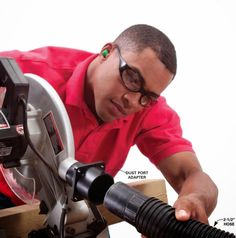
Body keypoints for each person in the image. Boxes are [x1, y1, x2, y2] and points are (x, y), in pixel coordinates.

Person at [0, 24, 217, 227]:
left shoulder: (147, 109)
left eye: (148, 96)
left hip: (71, 214)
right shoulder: (24, 70)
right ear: (107, 52)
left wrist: (193, 199)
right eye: (132, 78)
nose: (132, 101)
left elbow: (190, 175)